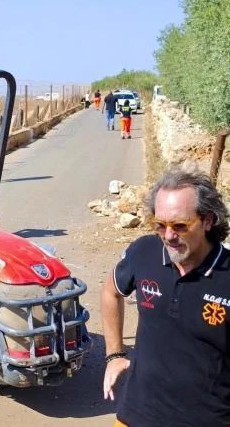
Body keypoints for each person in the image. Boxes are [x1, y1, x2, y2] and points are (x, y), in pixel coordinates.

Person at [101, 167, 230, 426]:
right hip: (135, 416)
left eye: (180, 226)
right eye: (160, 225)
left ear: (207, 220)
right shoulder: (144, 252)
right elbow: (110, 292)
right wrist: (114, 356)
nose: (169, 236)